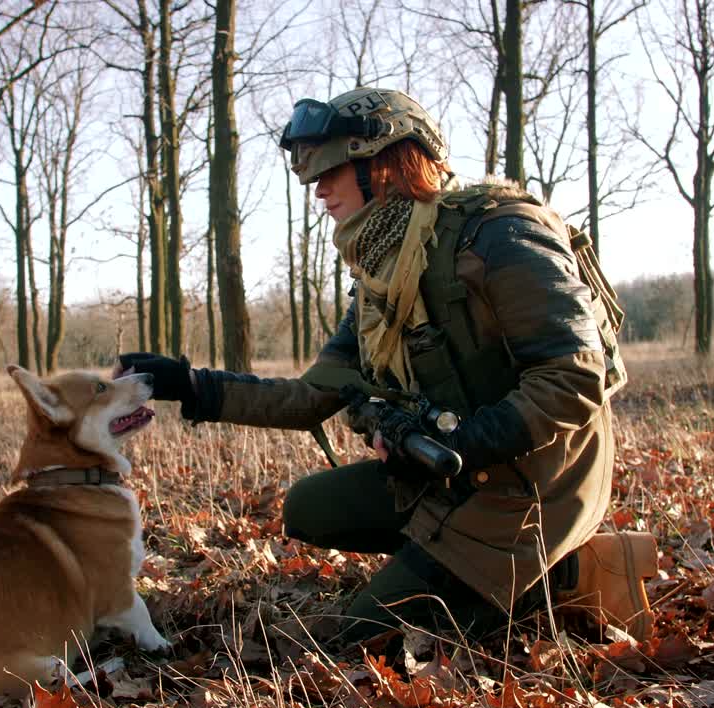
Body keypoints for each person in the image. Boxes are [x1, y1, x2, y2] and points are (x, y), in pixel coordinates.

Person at [118, 87, 657, 649]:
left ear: (387, 162)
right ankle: (449, 565)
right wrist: (190, 384)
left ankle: (570, 573)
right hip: (449, 478)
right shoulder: (380, 274)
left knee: (352, 645)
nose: (318, 188)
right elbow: (310, 397)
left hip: (532, 488)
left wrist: (460, 441)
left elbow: (572, 378)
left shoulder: (502, 232)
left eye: (333, 170)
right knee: (308, 507)